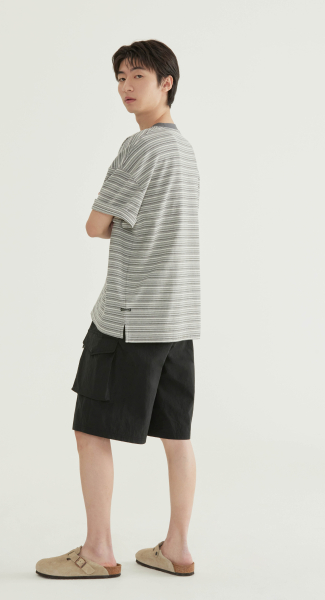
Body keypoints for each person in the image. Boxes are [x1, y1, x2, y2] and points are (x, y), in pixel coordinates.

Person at [36, 39, 201, 580]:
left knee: (90, 429)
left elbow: (96, 225)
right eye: (121, 78)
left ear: (166, 82)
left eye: (138, 77)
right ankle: (177, 548)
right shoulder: (184, 150)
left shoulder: (141, 147)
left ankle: (98, 551)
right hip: (177, 317)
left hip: (129, 316)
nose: (126, 87)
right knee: (177, 437)